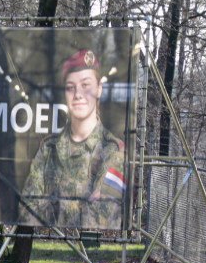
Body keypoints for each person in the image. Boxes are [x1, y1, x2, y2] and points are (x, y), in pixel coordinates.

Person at [19, 48, 127, 230]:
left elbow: (103, 217)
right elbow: (26, 212)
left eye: (86, 85)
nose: (78, 94)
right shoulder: (49, 148)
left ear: (99, 89)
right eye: (71, 87)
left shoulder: (114, 150)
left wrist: (50, 205)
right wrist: (83, 204)